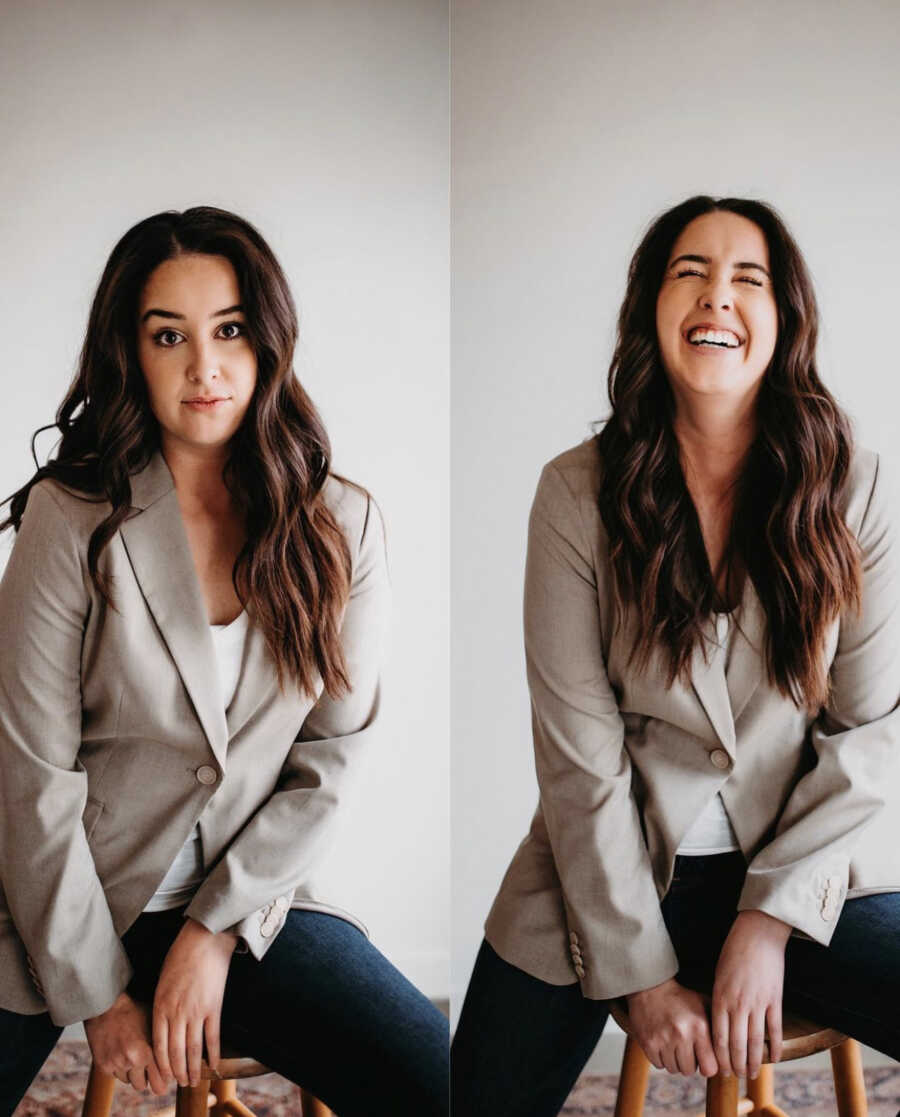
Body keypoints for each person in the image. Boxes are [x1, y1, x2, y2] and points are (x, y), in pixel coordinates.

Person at [451, 195, 900, 1116]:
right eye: (689, 273)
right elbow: (578, 755)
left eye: (748, 279)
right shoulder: (574, 493)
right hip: (604, 870)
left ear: (785, 317)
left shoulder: (857, 489)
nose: (717, 299)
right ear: (650, 308)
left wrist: (768, 917)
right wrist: (642, 975)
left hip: (800, 861)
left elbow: (872, 730)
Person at [0, 206, 448, 1117]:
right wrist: (95, 994)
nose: (205, 365)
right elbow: (30, 772)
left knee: (435, 1075)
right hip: (53, 899)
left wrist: (213, 928)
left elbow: (332, 760)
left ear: (268, 341)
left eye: (230, 329)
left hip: (246, 904)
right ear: (133, 354)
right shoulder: (72, 516)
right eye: (170, 335)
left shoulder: (343, 525)